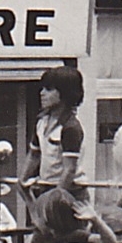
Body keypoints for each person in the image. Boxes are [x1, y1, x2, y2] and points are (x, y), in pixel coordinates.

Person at [21, 65, 86, 220]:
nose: (42, 93)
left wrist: (54, 201)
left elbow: (69, 169)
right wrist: (22, 180)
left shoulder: (70, 127)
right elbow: (34, 155)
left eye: (49, 89)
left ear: (64, 93)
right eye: (42, 88)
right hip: (46, 187)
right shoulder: (42, 122)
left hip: (69, 190)